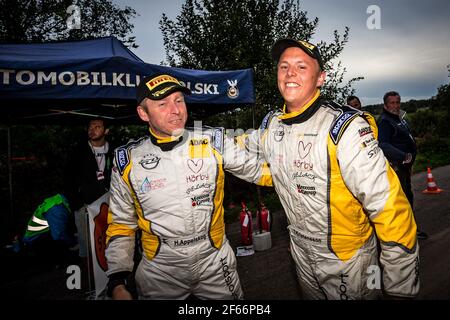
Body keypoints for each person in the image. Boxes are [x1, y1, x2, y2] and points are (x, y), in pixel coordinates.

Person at [249, 39, 420, 299]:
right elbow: (244, 152)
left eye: (301, 67)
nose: (290, 73)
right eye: (283, 67)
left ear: (321, 78)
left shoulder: (346, 128)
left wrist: (401, 288)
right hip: (301, 250)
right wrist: (192, 140)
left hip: (347, 259)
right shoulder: (273, 125)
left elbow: (391, 210)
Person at [105, 73, 270, 300]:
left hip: (213, 258)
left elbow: (261, 171)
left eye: (179, 100)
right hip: (160, 268)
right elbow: (121, 225)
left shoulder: (213, 142)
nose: (175, 110)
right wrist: (118, 279)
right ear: (144, 113)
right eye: (162, 104)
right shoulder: (128, 160)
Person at [377, 91, 428, 240]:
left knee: (407, 196)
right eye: (392, 103)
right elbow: (383, 144)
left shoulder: (399, 118)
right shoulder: (385, 121)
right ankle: (406, 233)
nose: (396, 105)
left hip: (404, 167)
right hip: (396, 168)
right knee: (402, 200)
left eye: (397, 102)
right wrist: (403, 156)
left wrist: (409, 161)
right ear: (385, 105)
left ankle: (409, 229)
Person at [64, 118, 114, 258]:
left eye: (97, 127)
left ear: (106, 131)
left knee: (108, 242)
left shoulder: (114, 150)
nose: (92, 130)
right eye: (90, 127)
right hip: (84, 206)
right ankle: (87, 273)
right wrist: (77, 203)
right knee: (86, 245)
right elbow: (67, 179)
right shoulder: (77, 151)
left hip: (109, 205)